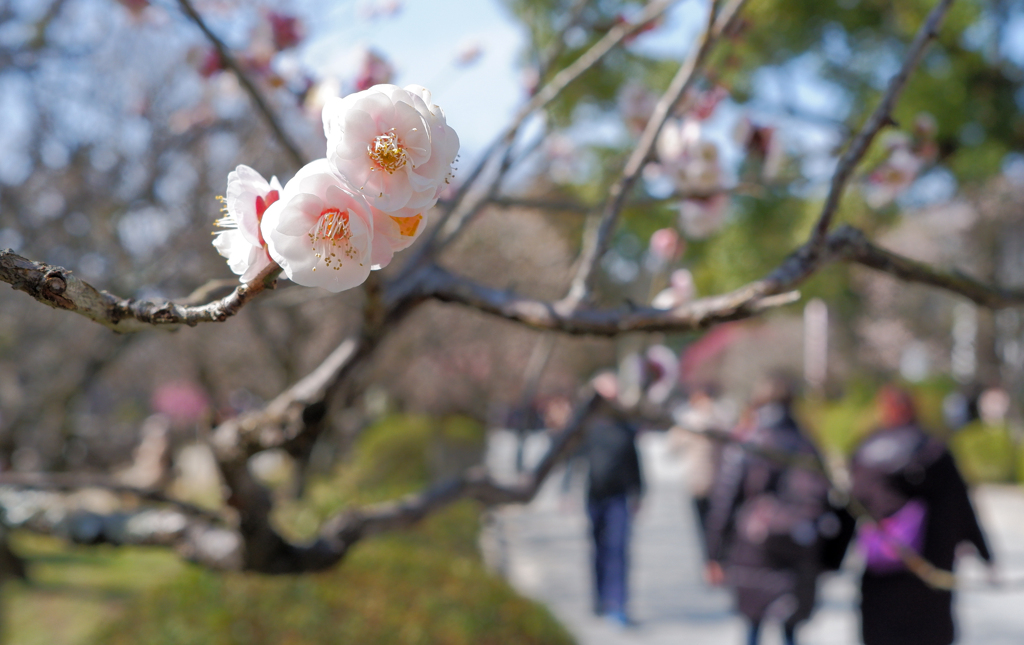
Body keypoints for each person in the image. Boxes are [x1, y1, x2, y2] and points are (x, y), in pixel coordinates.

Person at [850, 386, 994, 645]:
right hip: (930, 566)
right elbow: (961, 506)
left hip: (883, 568)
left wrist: (826, 557)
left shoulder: (866, 451)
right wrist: (985, 553)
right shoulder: (935, 450)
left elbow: (849, 508)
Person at [703, 376, 835, 645]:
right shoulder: (806, 443)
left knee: (753, 626)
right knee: (790, 629)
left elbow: (725, 500)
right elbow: (827, 500)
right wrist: (829, 558)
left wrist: (713, 553)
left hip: (754, 549)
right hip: (798, 548)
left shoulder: (749, 442)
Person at [583, 371, 644, 627]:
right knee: (598, 549)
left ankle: (617, 603)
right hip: (595, 495)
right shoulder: (587, 423)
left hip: (619, 498)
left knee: (618, 550)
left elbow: (635, 462)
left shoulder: (624, 425)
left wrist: (639, 492)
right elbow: (571, 458)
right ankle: (599, 599)